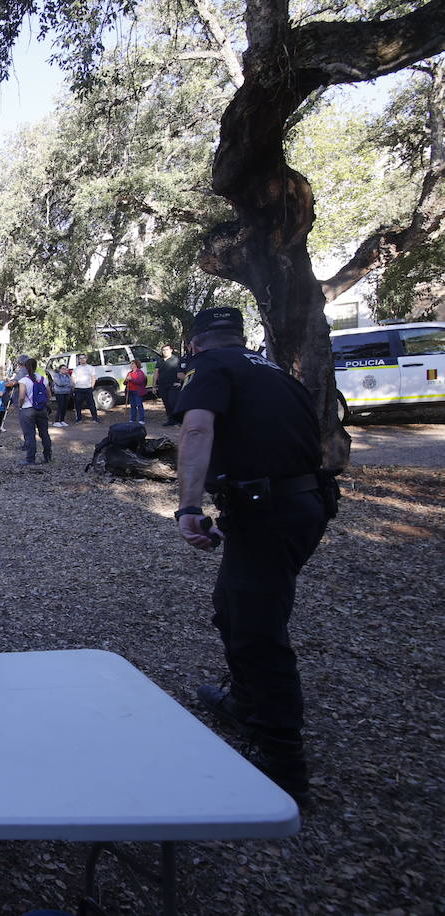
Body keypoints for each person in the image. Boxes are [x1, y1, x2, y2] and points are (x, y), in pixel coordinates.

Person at [173, 306, 335, 805]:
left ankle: (284, 763)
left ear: (196, 344)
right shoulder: (275, 372)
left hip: (270, 512)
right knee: (233, 607)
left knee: (257, 630)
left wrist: (188, 506)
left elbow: (198, 429)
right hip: (303, 505)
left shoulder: (209, 368)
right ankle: (246, 702)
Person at [6, 358, 52, 466]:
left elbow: (21, 396)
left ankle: (30, 459)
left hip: (27, 409)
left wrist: (20, 406)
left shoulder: (24, 380)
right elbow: (49, 393)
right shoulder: (42, 379)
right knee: (44, 433)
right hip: (42, 409)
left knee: (30, 434)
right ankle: (48, 456)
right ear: (36, 367)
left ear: (25, 367)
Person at [157, 344, 183, 426]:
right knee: (166, 403)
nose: (165, 351)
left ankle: (179, 420)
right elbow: (156, 373)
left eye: (166, 349)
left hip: (173, 385)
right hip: (162, 385)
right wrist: (154, 385)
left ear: (171, 350)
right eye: (163, 350)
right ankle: (170, 420)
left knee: (173, 402)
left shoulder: (177, 359)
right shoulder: (160, 361)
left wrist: (180, 382)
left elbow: (183, 371)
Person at [72, 353, 99, 422]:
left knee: (91, 404)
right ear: (79, 360)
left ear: (86, 359)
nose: (82, 359)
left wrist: (91, 387)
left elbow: (93, 378)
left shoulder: (91, 368)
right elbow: (73, 378)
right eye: (80, 358)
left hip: (88, 389)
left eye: (83, 358)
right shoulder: (76, 369)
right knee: (78, 405)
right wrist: (75, 385)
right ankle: (78, 419)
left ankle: (95, 418)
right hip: (78, 389)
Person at [49, 363, 73, 428]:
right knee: (60, 406)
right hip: (59, 393)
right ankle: (56, 421)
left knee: (65, 407)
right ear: (59, 370)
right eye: (63, 369)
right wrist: (66, 383)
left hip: (67, 392)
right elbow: (59, 383)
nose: (65, 370)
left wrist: (66, 384)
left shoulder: (68, 376)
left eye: (66, 369)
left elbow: (71, 383)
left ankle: (62, 420)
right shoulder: (56, 375)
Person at [125, 359, 148, 423]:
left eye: (132, 364)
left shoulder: (139, 372)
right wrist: (126, 380)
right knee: (133, 406)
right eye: (131, 364)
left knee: (139, 405)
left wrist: (131, 379)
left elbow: (140, 381)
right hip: (130, 391)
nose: (131, 365)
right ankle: (133, 419)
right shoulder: (129, 373)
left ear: (136, 365)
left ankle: (141, 419)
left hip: (137, 391)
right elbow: (125, 382)